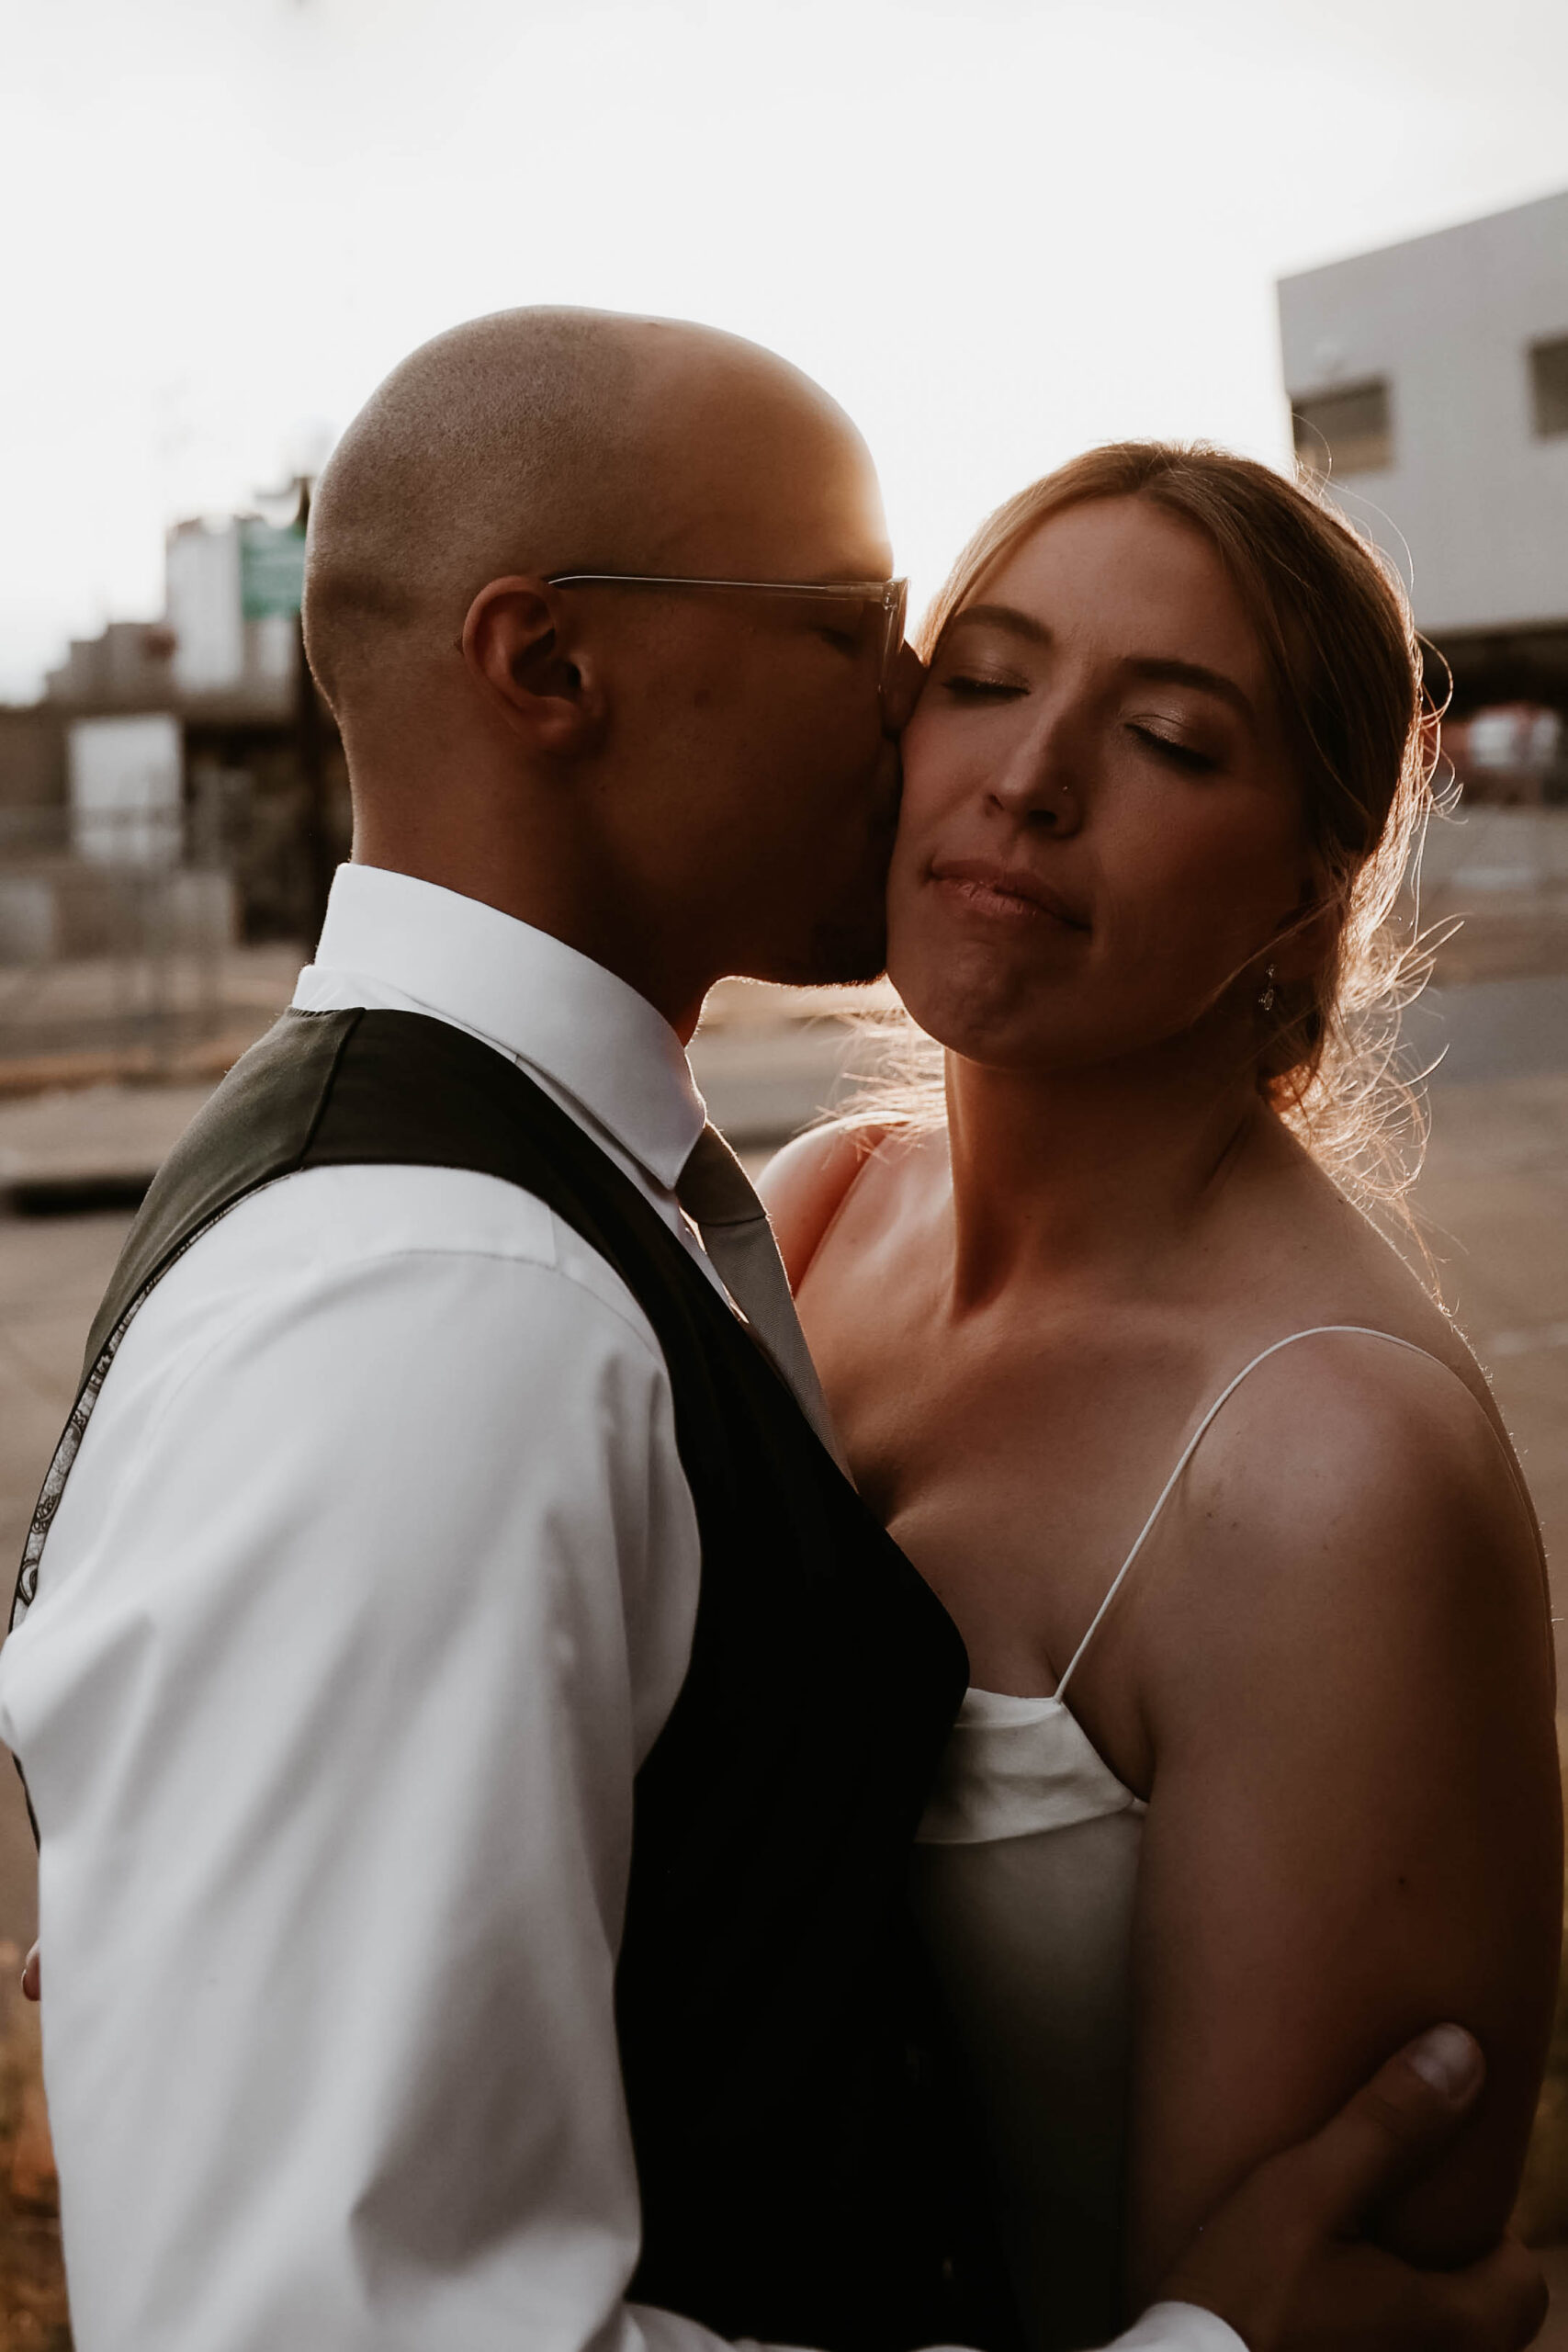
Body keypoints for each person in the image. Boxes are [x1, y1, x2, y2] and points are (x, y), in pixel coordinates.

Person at [0, 320, 1547, 2352]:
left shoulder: (1283, 1446)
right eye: (920, 655)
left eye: (1170, 737)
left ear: (1308, 877)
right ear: (547, 667)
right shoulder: (581, 1266)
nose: (987, 754)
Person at [761, 445, 1564, 2352]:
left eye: (1172, 740)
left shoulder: (1318, 1471)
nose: (1027, 777)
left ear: (1309, 885)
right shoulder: (811, 1216)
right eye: (987, 675)